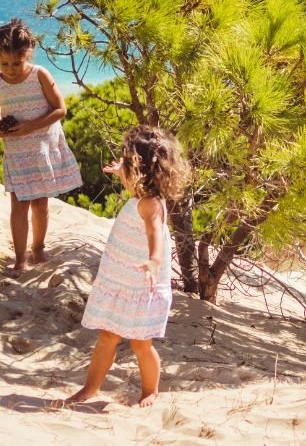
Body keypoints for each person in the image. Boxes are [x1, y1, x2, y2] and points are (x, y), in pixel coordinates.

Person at [65, 125, 190, 408]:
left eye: (129, 162)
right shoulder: (141, 193)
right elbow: (133, 184)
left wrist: (154, 261)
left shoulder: (150, 205)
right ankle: (90, 388)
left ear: (143, 170)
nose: (125, 169)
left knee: (140, 343)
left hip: (140, 285)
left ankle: (150, 390)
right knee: (107, 336)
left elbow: (155, 234)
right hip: (119, 281)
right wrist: (121, 171)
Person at [0, 19, 83, 272]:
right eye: (4, 63)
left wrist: (30, 126)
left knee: (40, 203)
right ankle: (20, 259)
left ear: (27, 54)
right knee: (18, 205)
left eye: (16, 63)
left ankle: (38, 249)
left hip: (41, 149)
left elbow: (60, 109)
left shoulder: (39, 75)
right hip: (17, 152)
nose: (11, 69)